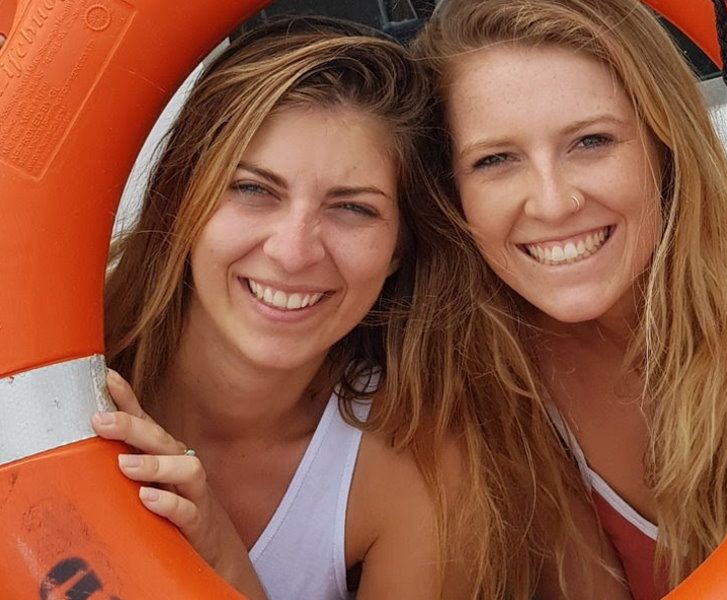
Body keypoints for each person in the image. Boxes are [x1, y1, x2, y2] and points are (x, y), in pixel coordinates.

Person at [86, 16, 612, 600]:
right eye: (253, 189)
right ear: (186, 198)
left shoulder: (418, 472)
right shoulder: (52, 349)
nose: (292, 252)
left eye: (353, 209)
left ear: (396, 250)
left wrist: (220, 562)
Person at [413, 0, 727, 597]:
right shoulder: (490, 364)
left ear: (662, 143)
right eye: (495, 160)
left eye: (591, 141)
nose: (552, 202)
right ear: (450, 190)